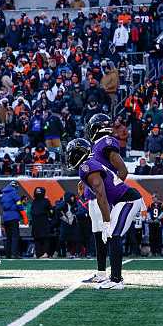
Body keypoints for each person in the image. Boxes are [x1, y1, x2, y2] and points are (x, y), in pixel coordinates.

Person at [68, 138, 145, 290]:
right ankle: (114, 278)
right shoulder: (90, 165)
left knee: (113, 234)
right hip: (124, 200)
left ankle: (116, 280)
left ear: (77, 154)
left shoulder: (86, 167)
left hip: (128, 200)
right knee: (112, 234)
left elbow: (101, 196)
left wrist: (105, 222)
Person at [82, 113, 128, 281]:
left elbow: (122, 170)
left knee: (108, 234)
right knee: (98, 235)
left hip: (102, 198)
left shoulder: (106, 143)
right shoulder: (95, 146)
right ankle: (101, 273)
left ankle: (115, 276)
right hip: (93, 198)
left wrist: (112, 193)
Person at [0, 180, 23, 259]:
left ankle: (8, 254)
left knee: (8, 237)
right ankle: (14, 254)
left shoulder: (3, 194)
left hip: (5, 218)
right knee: (15, 236)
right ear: (15, 186)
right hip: (13, 217)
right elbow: (19, 204)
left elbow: (4, 206)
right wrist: (20, 209)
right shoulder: (14, 193)